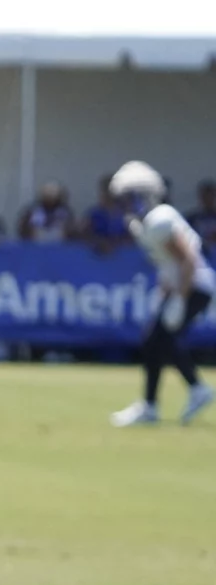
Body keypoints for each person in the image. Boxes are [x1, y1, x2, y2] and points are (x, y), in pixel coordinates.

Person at [107, 161, 213, 428]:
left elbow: (187, 260)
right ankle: (161, 402)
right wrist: (165, 293)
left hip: (193, 287)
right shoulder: (147, 224)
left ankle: (172, 398)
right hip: (183, 287)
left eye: (129, 199)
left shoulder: (159, 220)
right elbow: (168, 265)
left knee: (158, 339)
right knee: (156, 341)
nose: (125, 205)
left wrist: (179, 298)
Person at [84, 174, 131, 257]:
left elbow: (134, 237)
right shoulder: (95, 214)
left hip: (124, 259)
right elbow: (86, 234)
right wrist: (100, 242)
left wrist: (117, 243)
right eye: (106, 190)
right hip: (98, 260)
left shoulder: (127, 214)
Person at [184, 180, 216, 256]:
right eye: (205, 196)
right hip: (200, 255)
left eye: (211, 195)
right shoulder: (192, 218)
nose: (208, 199)